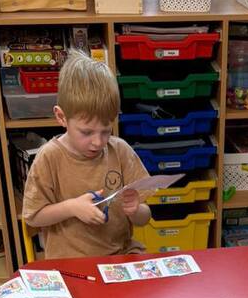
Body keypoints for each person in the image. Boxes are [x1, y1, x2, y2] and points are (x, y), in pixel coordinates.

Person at [22, 52, 151, 259]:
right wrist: (72, 208)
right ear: (61, 117)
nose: (98, 142)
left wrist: (136, 210)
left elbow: (144, 218)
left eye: (106, 130)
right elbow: (33, 217)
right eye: (86, 132)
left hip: (120, 256)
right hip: (70, 263)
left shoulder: (120, 150)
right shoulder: (49, 157)